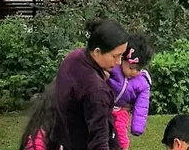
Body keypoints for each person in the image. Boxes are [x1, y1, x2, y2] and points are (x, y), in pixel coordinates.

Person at [51, 18, 130, 150]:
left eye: (121, 56)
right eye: (115, 56)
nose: (119, 62)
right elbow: (98, 141)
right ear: (97, 52)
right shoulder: (96, 90)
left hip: (64, 140)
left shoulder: (73, 57)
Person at [111, 34, 153, 149]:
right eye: (131, 68)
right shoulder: (113, 68)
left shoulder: (142, 82)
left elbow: (142, 105)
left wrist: (137, 128)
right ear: (122, 59)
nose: (134, 72)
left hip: (121, 111)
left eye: (138, 69)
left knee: (120, 133)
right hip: (104, 104)